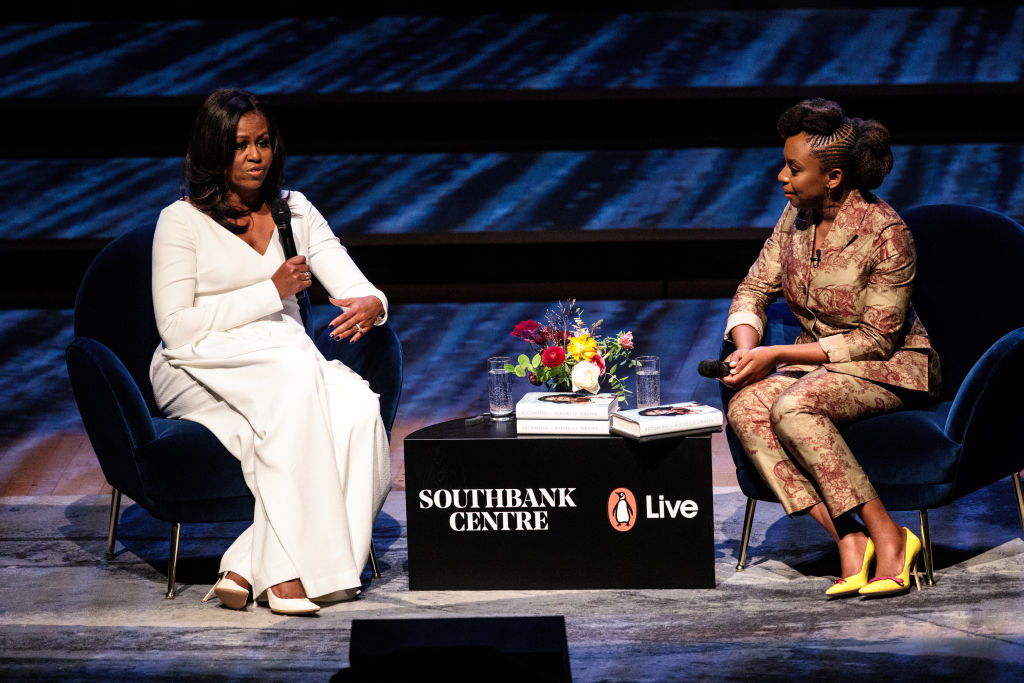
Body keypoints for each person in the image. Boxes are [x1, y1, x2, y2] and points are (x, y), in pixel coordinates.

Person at [149, 89, 391, 615]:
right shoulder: (180, 222)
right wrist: (270, 289)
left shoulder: (294, 210)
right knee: (296, 375)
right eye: (240, 145)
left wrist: (374, 303)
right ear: (215, 150)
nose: (255, 156)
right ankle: (284, 578)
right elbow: (175, 328)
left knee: (358, 410)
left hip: (283, 356)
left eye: (262, 142)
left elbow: (351, 280)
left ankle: (251, 563)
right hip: (199, 361)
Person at [721, 99, 940, 599]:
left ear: (834, 176)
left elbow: (876, 339)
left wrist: (776, 357)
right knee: (748, 407)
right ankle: (848, 538)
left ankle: (891, 536)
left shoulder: (887, 234)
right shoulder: (794, 218)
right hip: (820, 363)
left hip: (890, 366)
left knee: (793, 406)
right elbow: (754, 288)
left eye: (794, 169)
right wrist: (747, 349)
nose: (782, 177)